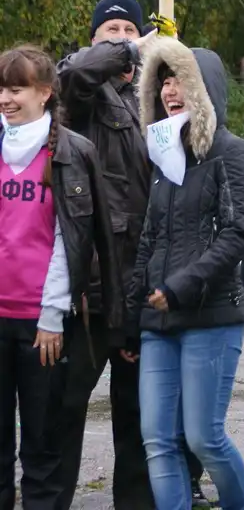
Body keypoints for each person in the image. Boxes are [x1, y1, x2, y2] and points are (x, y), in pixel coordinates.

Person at [127, 37, 244, 510]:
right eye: (163, 81)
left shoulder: (231, 152)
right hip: (159, 322)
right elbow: (150, 238)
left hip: (212, 315)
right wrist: (132, 312)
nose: (170, 90)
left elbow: (238, 233)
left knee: (204, 438)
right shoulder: (163, 156)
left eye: (180, 79)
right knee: (158, 440)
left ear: (205, 89)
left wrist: (180, 286)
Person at [55, 0, 164, 510]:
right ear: (93, 39)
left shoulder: (153, 96)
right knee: (64, 411)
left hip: (141, 284)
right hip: (93, 287)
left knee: (138, 422)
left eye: (130, 31)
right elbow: (74, 72)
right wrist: (131, 50)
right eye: (111, 32)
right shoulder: (80, 93)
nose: (123, 41)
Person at [0, 46, 121, 510]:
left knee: (43, 450)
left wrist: (52, 315)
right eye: (2, 89)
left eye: (17, 89)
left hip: (43, 327)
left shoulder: (74, 152)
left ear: (45, 92)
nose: (6, 99)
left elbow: (80, 241)